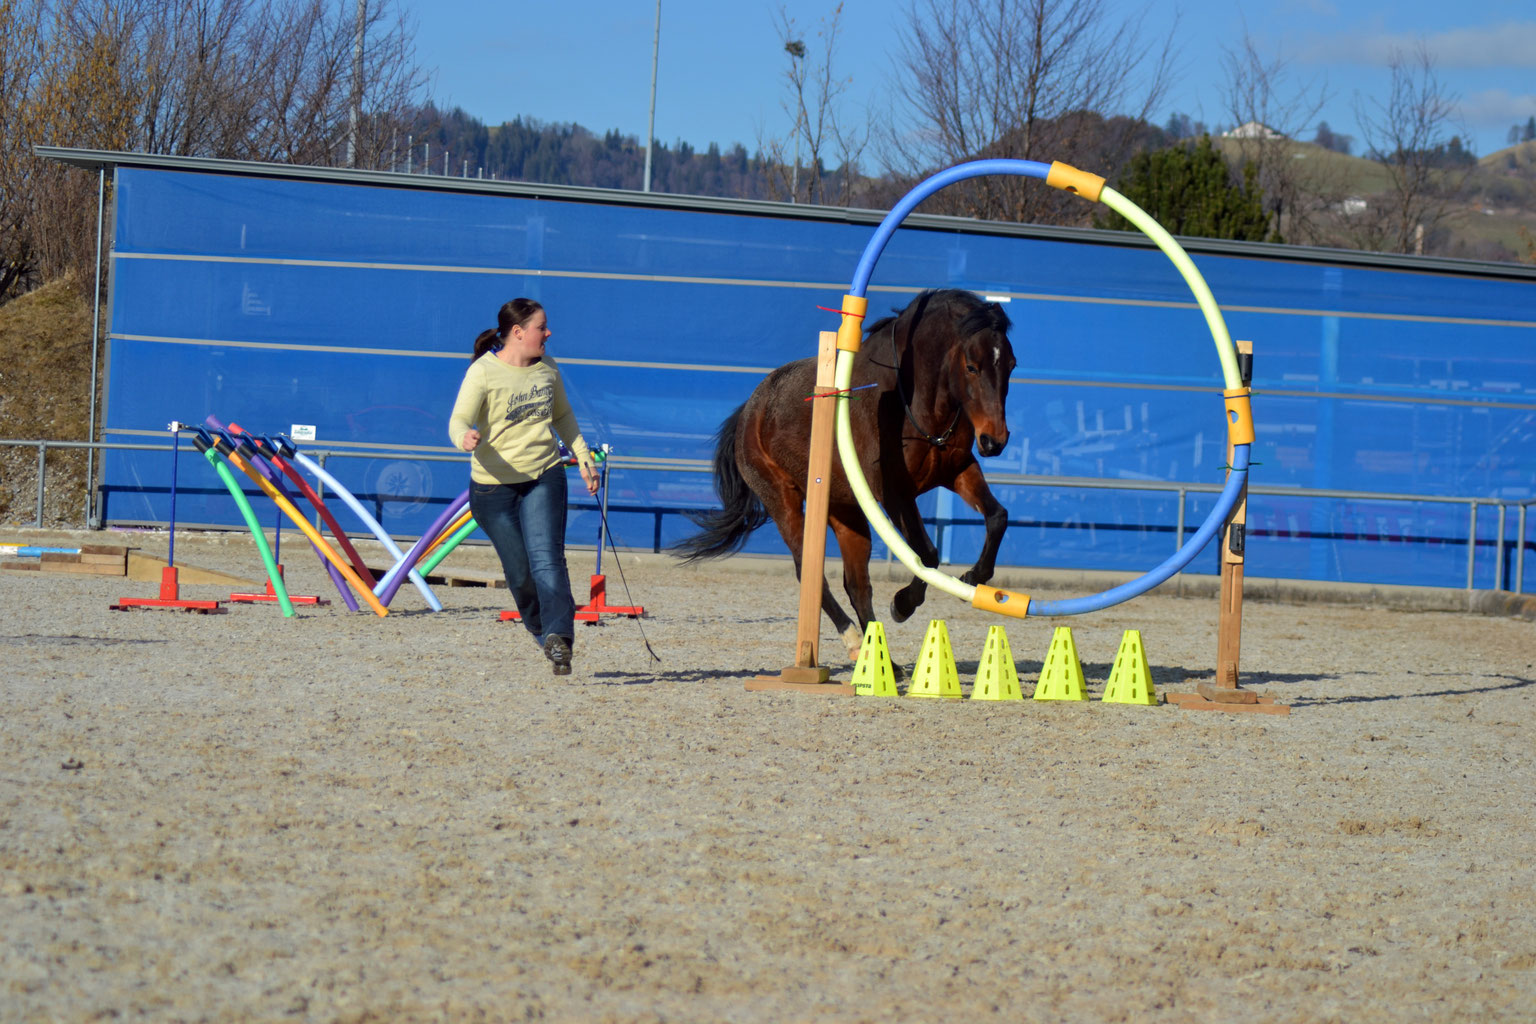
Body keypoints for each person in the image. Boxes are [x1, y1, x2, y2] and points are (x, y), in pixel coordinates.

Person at [448, 298, 599, 676]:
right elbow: (458, 419)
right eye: (541, 327)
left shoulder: (548, 368)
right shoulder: (483, 372)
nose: (548, 333)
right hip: (493, 489)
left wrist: (583, 457)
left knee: (547, 561)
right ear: (518, 332)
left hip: (543, 475)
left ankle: (559, 636)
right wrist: (464, 437)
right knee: (520, 572)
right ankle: (541, 631)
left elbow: (562, 415)